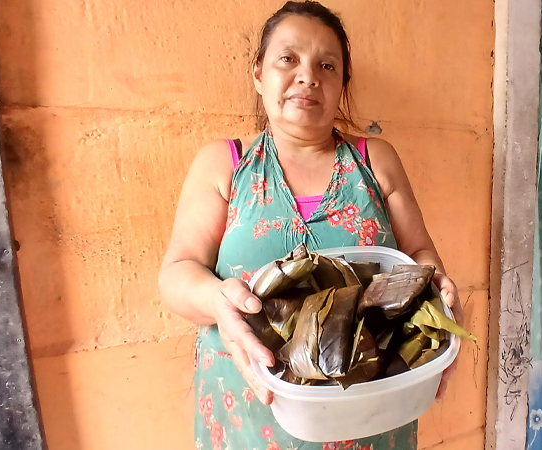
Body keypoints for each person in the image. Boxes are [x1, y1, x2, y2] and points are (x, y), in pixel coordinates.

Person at [158, 2, 464, 449]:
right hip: (249, 415)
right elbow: (177, 271)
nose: (308, 76)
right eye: (289, 58)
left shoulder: (375, 161)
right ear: (258, 72)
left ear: (342, 85)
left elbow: (419, 256)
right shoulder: (223, 165)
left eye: (327, 65)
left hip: (367, 409)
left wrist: (441, 295)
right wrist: (215, 299)